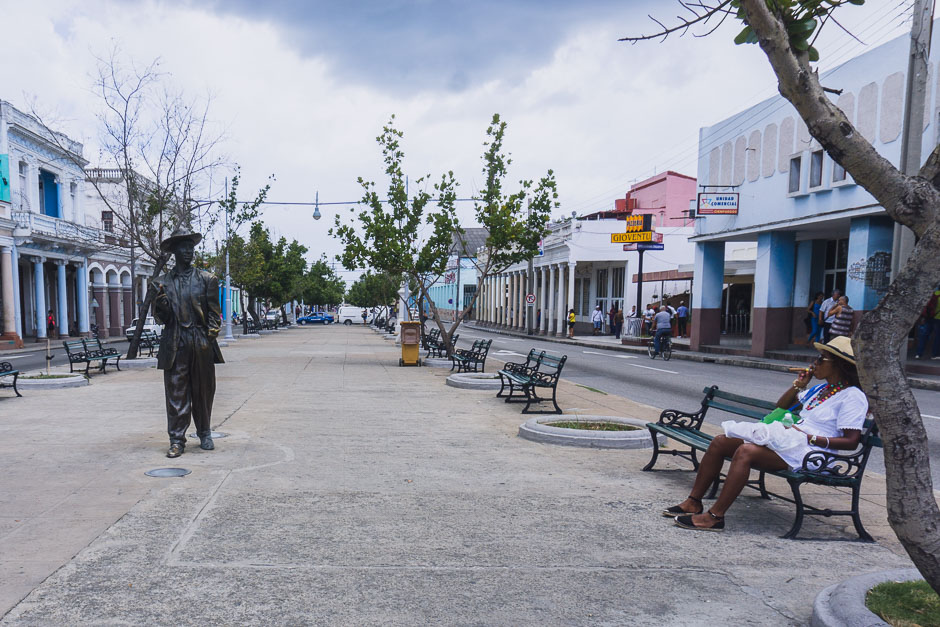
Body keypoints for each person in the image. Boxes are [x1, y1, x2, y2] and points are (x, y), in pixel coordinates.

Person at [666, 336, 867, 531]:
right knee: (721, 441)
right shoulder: (822, 389)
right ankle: (694, 502)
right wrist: (799, 384)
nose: (815, 363)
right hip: (793, 443)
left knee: (746, 451)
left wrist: (810, 438)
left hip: (815, 453)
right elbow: (782, 406)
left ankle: (715, 517)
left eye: (822, 359)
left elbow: (851, 442)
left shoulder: (852, 397)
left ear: (839, 365)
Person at [152, 226, 224, 459]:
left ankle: (204, 433)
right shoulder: (161, 283)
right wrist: (161, 306)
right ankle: (176, 440)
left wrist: (208, 336)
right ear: (174, 251)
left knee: (203, 391)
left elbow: (214, 314)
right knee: (176, 393)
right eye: (183, 248)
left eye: (191, 248)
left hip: (199, 341)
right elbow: (160, 319)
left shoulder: (207, 280)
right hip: (175, 342)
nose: (188, 252)